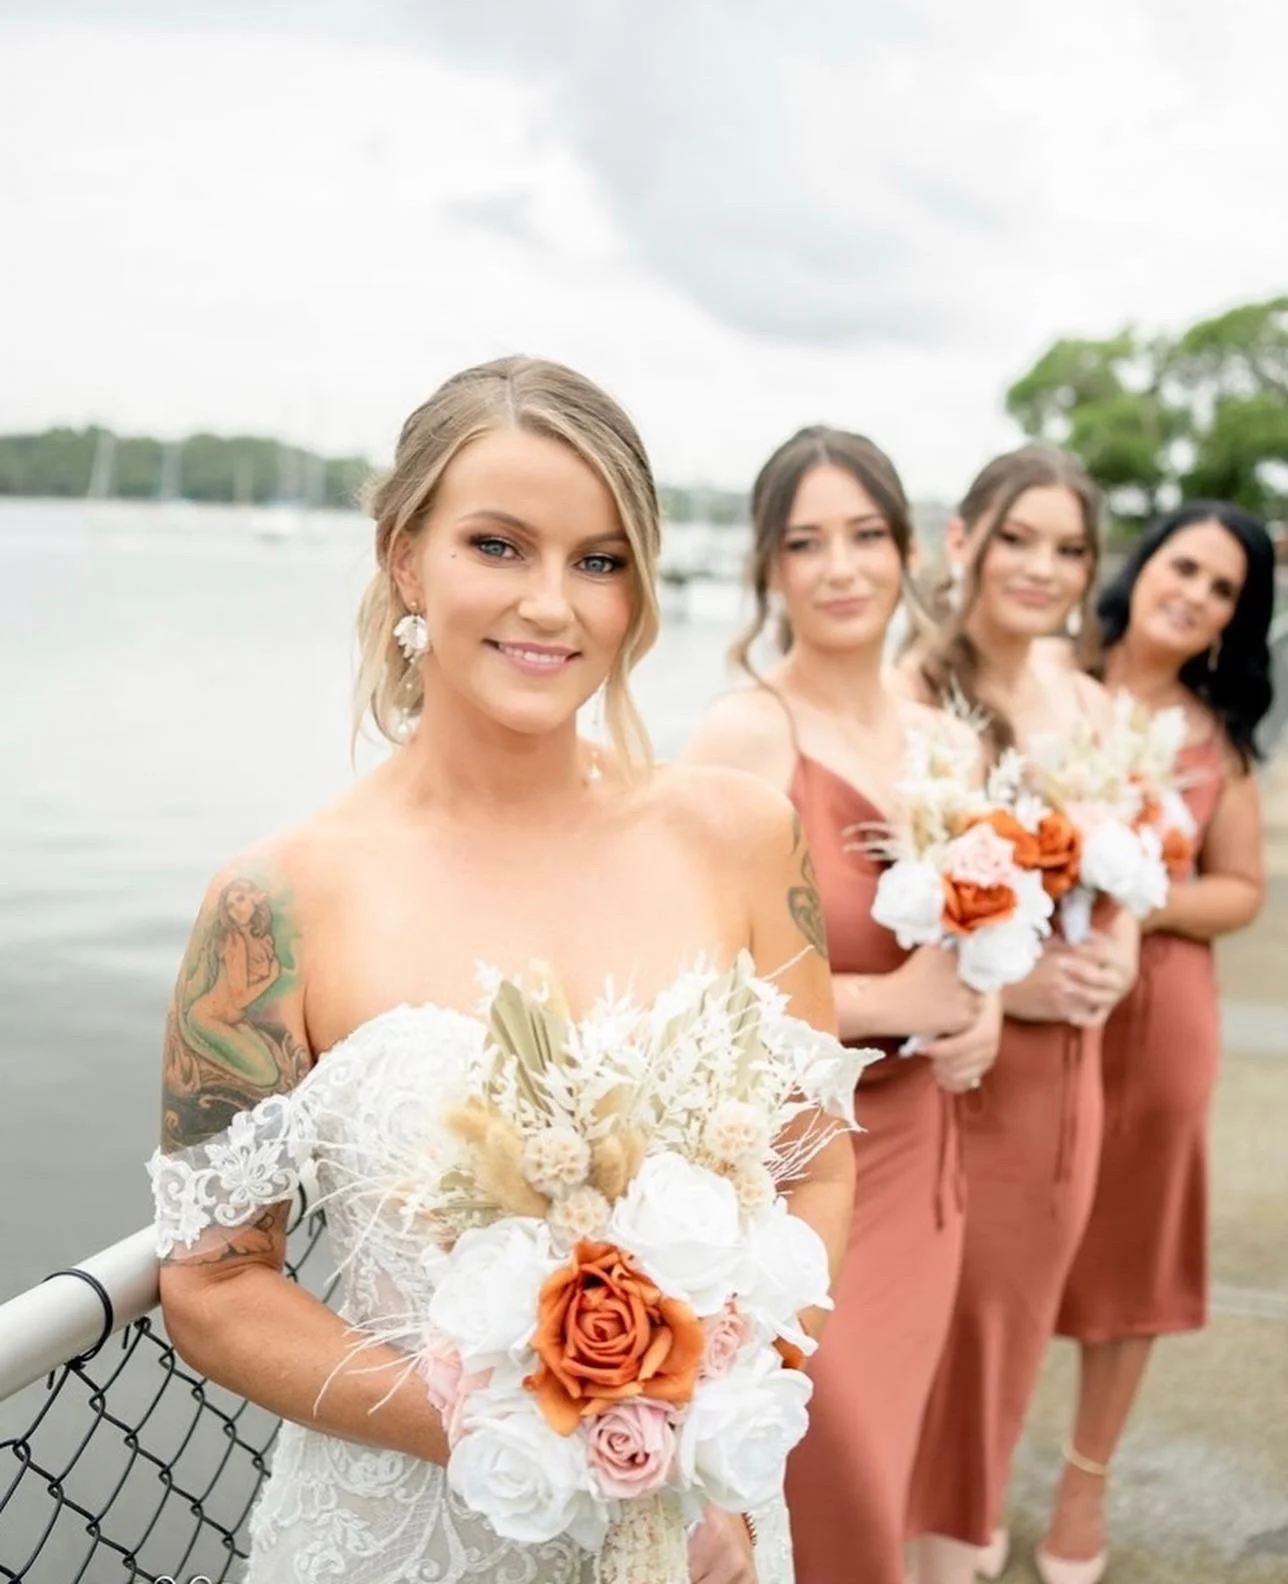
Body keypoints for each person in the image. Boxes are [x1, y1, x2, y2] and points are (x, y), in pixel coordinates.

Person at [147, 357, 856, 1584]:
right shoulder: (274, 904)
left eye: (599, 561)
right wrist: (515, 1435)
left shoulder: (741, 837)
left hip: (701, 1528)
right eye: (497, 546)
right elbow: (215, 1282)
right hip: (403, 1528)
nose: (550, 605)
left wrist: (716, 1434)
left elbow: (817, 1167)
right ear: (404, 558)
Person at [683, 426, 1000, 1584]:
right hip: (796, 1167)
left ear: (908, 551)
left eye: (865, 535)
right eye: (805, 543)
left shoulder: (949, 742)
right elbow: (693, 993)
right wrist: (879, 998)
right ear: (769, 568)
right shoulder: (743, 734)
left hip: (928, 1156)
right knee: (838, 1470)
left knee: (893, 1461)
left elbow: (975, 940)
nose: (840, 567)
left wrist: (982, 1010)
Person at [894, 446, 1139, 1584]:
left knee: (1008, 1341)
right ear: (964, 542)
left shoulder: (1087, 701)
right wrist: (1015, 984)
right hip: (957, 1080)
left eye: (1069, 549)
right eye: (1019, 539)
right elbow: (890, 904)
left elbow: (1124, 866)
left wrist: (1117, 955)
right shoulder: (910, 697)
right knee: (934, 1347)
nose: (1043, 567)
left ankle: (963, 1531)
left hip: (1062, 1091)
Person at [1041, 502, 1276, 1584]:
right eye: (1185, 567)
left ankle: (1083, 1485)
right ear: (1142, 566)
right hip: (1028, 994)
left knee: (1130, 1253)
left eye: (1224, 590)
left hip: (1158, 1019)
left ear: (1234, 621)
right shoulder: (1043, 678)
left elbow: (1241, 890)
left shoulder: (1213, 738)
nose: (1195, 595)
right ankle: (962, 1465)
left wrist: (1136, 894)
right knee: (999, 1237)